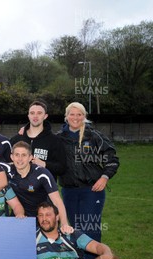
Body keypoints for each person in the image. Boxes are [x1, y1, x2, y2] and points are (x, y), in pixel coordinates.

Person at [57, 102, 119, 248]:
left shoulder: (94, 136)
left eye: (79, 114)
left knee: (90, 229)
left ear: (84, 116)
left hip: (92, 191)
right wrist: (25, 129)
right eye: (72, 114)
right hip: (69, 191)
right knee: (74, 229)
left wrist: (105, 177)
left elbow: (112, 158)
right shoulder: (58, 138)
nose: (75, 117)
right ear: (66, 116)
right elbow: (42, 142)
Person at [8, 142, 73, 233]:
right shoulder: (8, 171)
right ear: (12, 157)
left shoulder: (42, 174)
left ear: (30, 157)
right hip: (19, 216)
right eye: (17, 155)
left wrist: (64, 223)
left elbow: (57, 201)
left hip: (41, 217)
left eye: (24, 155)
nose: (20, 159)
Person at [10, 100, 67, 180]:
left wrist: (45, 164)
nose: (35, 116)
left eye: (39, 113)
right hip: (19, 190)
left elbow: (62, 168)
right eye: (32, 113)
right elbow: (6, 165)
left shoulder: (55, 140)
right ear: (28, 116)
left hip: (44, 190)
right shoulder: (16, 139)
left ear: (45, 116)